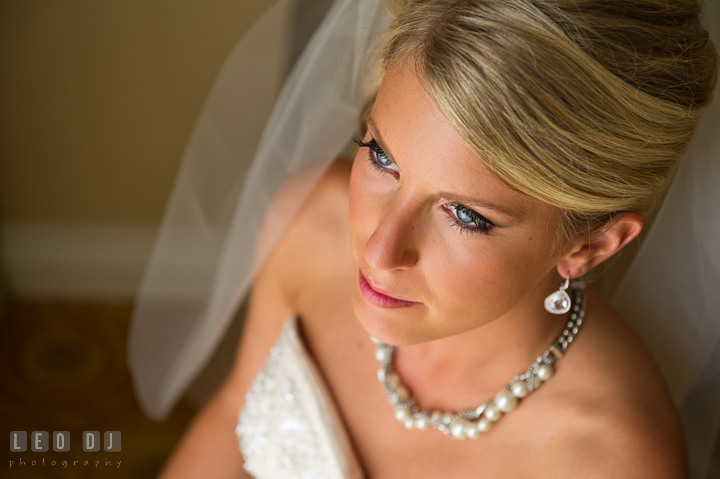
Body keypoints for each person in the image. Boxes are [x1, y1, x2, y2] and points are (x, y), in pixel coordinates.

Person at [132, 0, 719, 477]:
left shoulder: (612, 459)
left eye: (465, 215)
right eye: (383, 157)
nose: (379, 249)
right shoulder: (309, 223)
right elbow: (237, 408)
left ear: (589, 247)